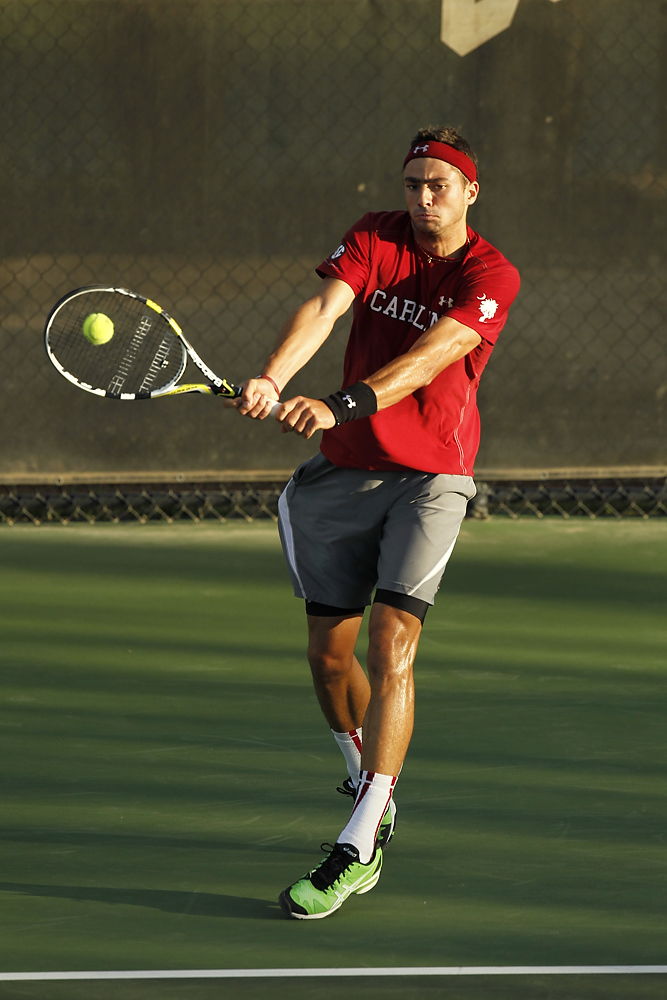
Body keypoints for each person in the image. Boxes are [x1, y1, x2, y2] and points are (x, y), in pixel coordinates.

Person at [230, 126, 520, 920]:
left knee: (392, 642)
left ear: (469, 191)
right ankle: (366, 777)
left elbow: (434, 354)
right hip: (344, 473)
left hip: (432, 477)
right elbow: (324, 308)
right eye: (412, 184)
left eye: (438, 185)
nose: (423, 198)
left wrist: (336, 402)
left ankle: (359, 841)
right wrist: (272, 375)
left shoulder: (490, 273)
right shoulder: (373, 238)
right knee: (330, 661)